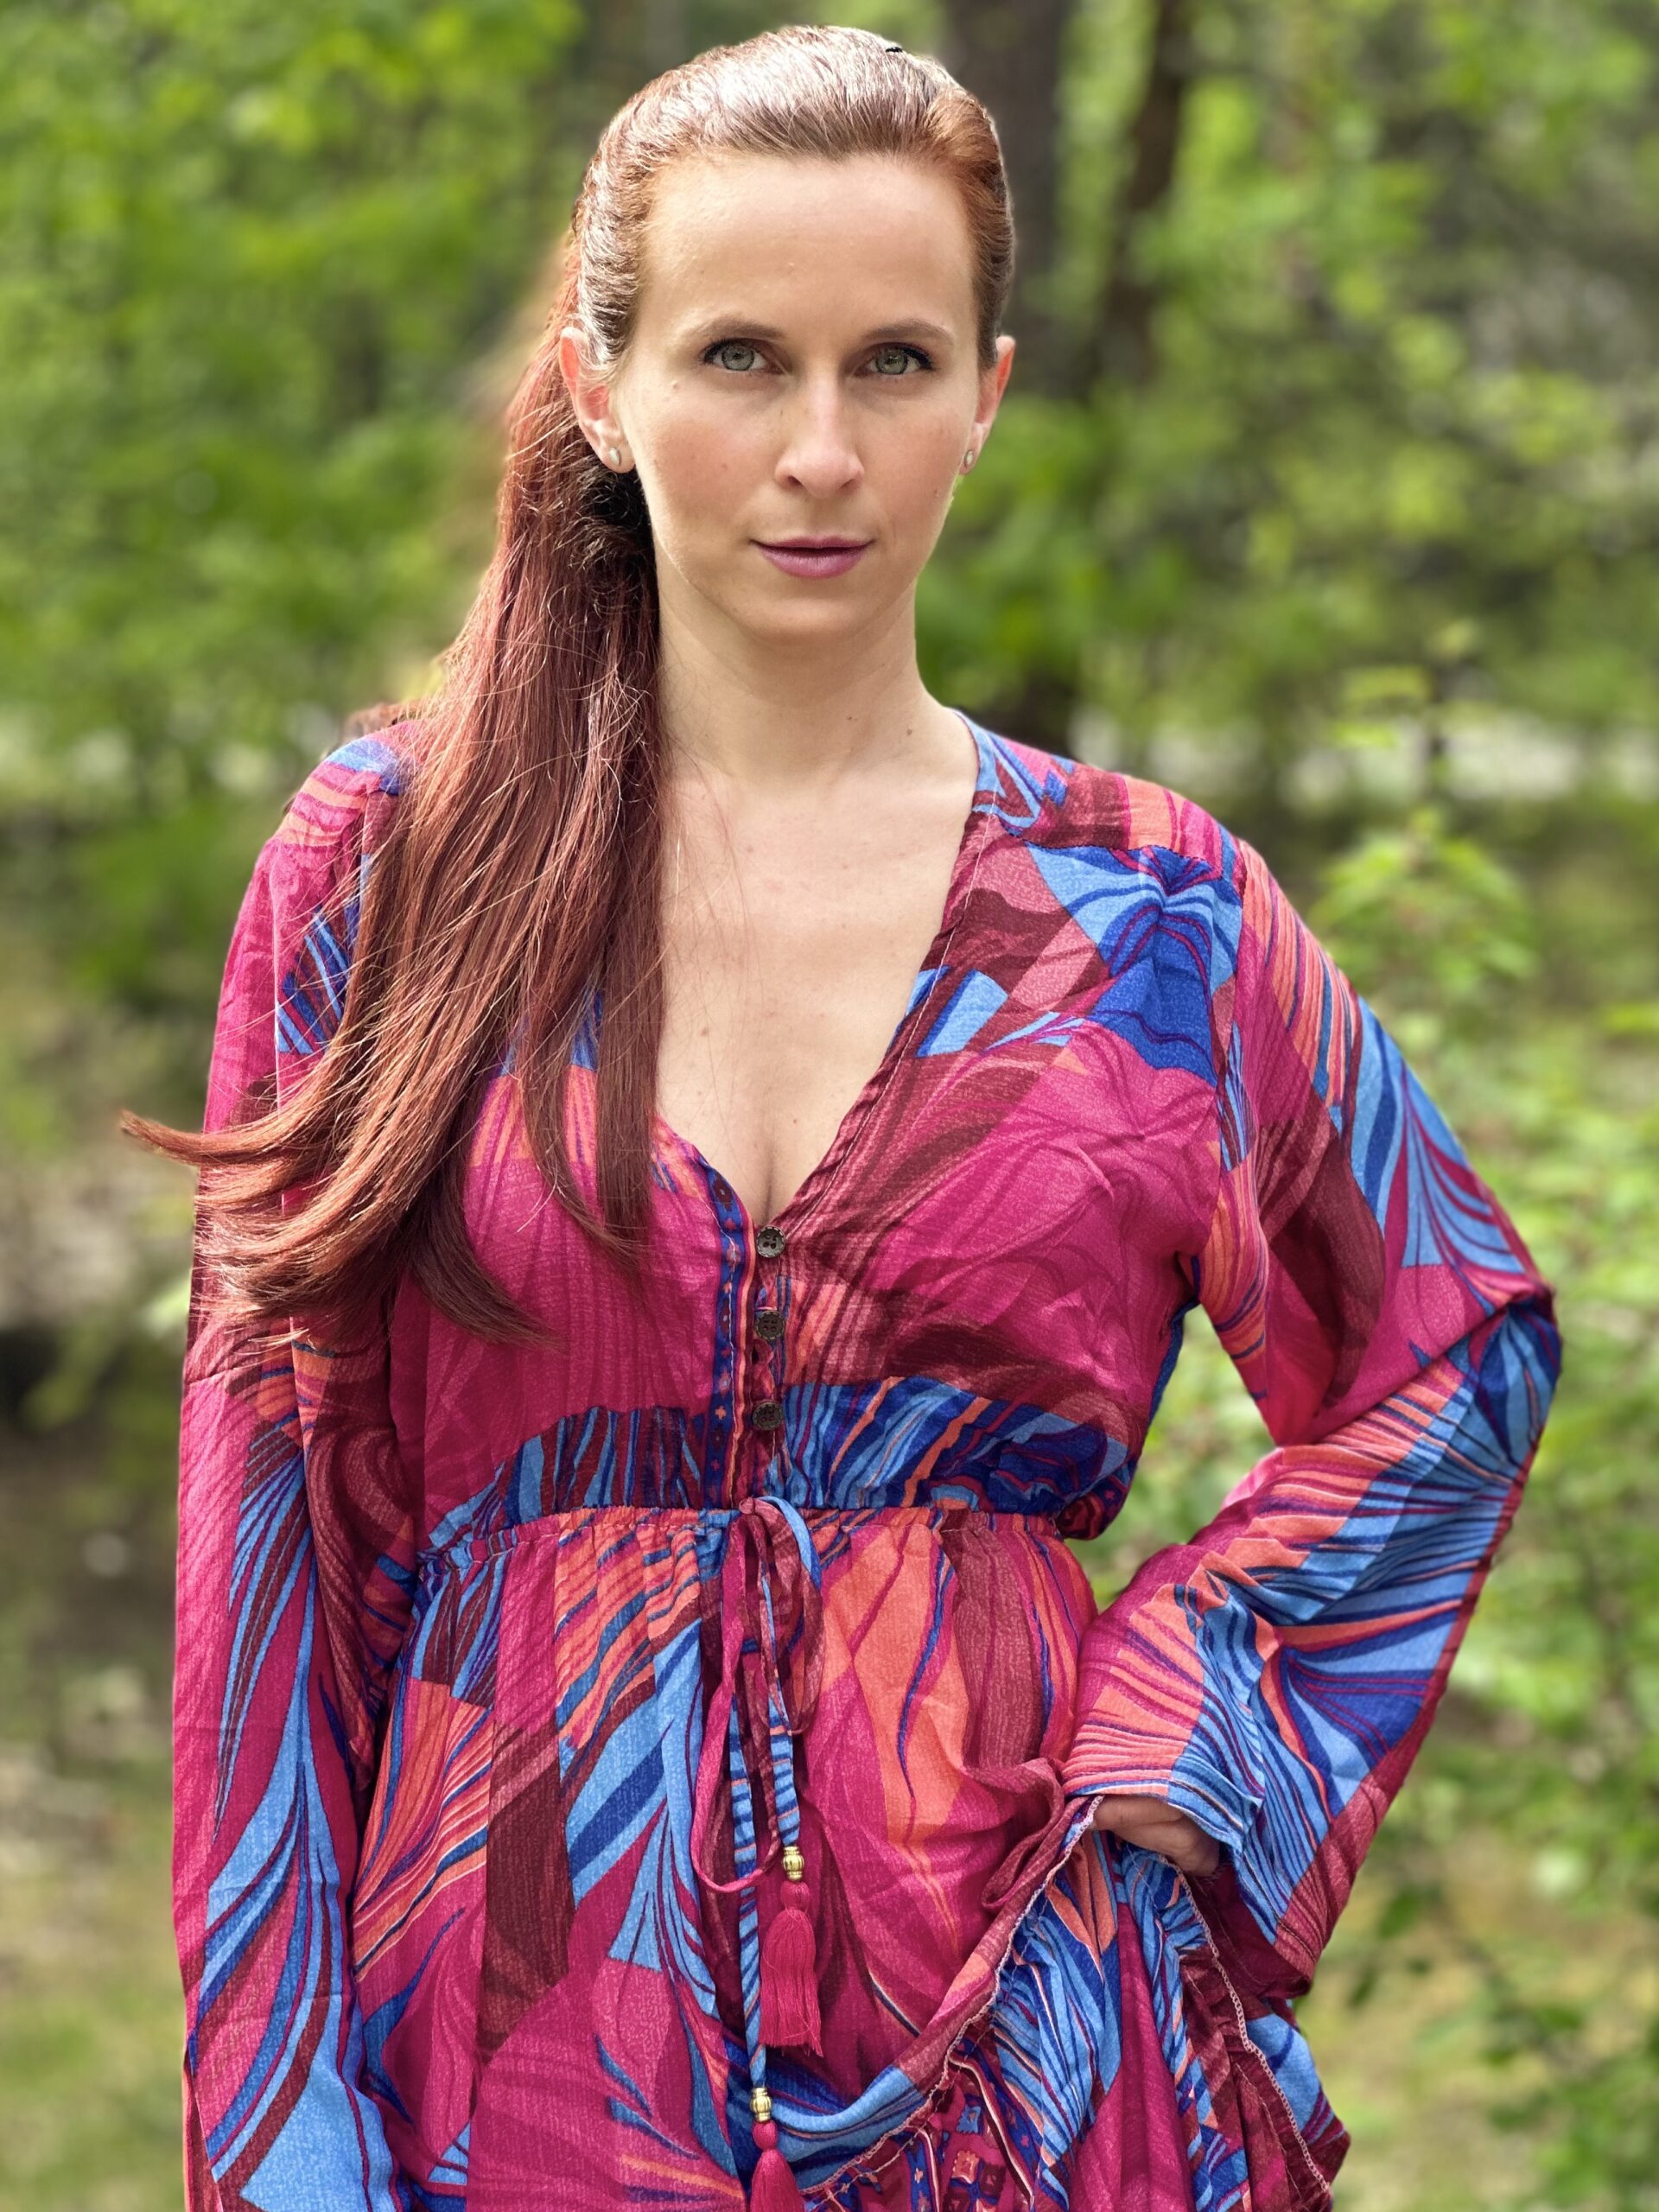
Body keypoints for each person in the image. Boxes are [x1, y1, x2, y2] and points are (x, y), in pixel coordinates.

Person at [125, 24, 1561, 2212]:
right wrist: (285, 2142)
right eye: (739, 358)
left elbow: (1454, 1350)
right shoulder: (390, 871)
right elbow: (274, 1544)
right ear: (601, 391)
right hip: (513, 2063)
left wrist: (1203, 1712)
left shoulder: (1149, 913)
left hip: (1037, 2058)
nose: (820, 451)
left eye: (894, 362)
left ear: (987, 393)